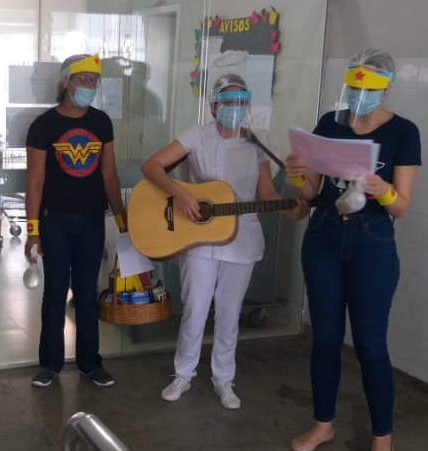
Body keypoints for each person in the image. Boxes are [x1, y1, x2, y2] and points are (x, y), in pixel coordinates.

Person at [284, 49, 421, 451]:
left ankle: (383, 439)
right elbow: (310, 192)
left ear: (385, 88)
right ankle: (323, 424)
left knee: (370, 345)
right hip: (324, 237)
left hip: (371, 243)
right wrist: (297, 174)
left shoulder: (404, 132)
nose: (360, 95)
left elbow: (401, 207)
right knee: (325, 338)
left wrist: (385, 191)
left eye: (369, 88)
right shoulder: (330, 123)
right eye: (354, 87)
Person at [141, 73, 306, 410]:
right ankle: (183, 374)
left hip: (242, 237)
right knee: (195, 308)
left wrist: (291, 210)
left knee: (229, 314)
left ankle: (224, 379)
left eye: (242, 102)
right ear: (214, 105)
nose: (235, 107)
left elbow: (267, 194)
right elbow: (152, 166)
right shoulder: (196, 135)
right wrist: (182, 194)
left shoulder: (258, 142)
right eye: (228, 101)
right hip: (199, 235)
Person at [24, 54, 126, 388]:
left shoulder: (101, 122)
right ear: (66, 82)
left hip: (92, 220)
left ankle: (90, 363)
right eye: (83, 79)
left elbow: (109, 175)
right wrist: (33, 231)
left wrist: (122, 217)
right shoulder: (44, 126)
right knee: (55, 291)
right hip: (54, 221)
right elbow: (35, 182)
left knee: (86, 292)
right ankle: (49, 365)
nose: (89, 86)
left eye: (94, 81)